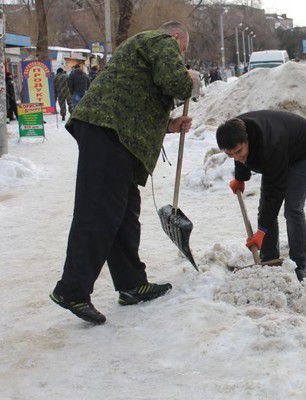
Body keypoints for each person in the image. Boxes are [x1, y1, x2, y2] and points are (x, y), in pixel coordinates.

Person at [50, 21, 201, 325]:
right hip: (109, 132)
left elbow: (141, 98)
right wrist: (191, 80)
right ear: (177, 39)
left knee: (123, 212)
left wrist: (169, 125)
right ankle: (72, 289)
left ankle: (131, 283)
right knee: (98, 211)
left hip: (117, 135)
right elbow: (175, 83)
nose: (179, 55)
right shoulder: (162, 39)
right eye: (182, 51)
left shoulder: (143, 50)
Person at [216, 110, 306, 282]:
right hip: (283, 149)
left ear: (247, 139)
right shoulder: (236, 131)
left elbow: (275, 191)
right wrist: (240, 178)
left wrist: (261, 231)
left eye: (239, 151)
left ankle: (299, 265)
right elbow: (240, 155)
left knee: (292, 208)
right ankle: (269, 259)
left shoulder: (270, 144)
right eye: (230, 154)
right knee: (265, 209)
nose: (237, 157)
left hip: (305, 152)